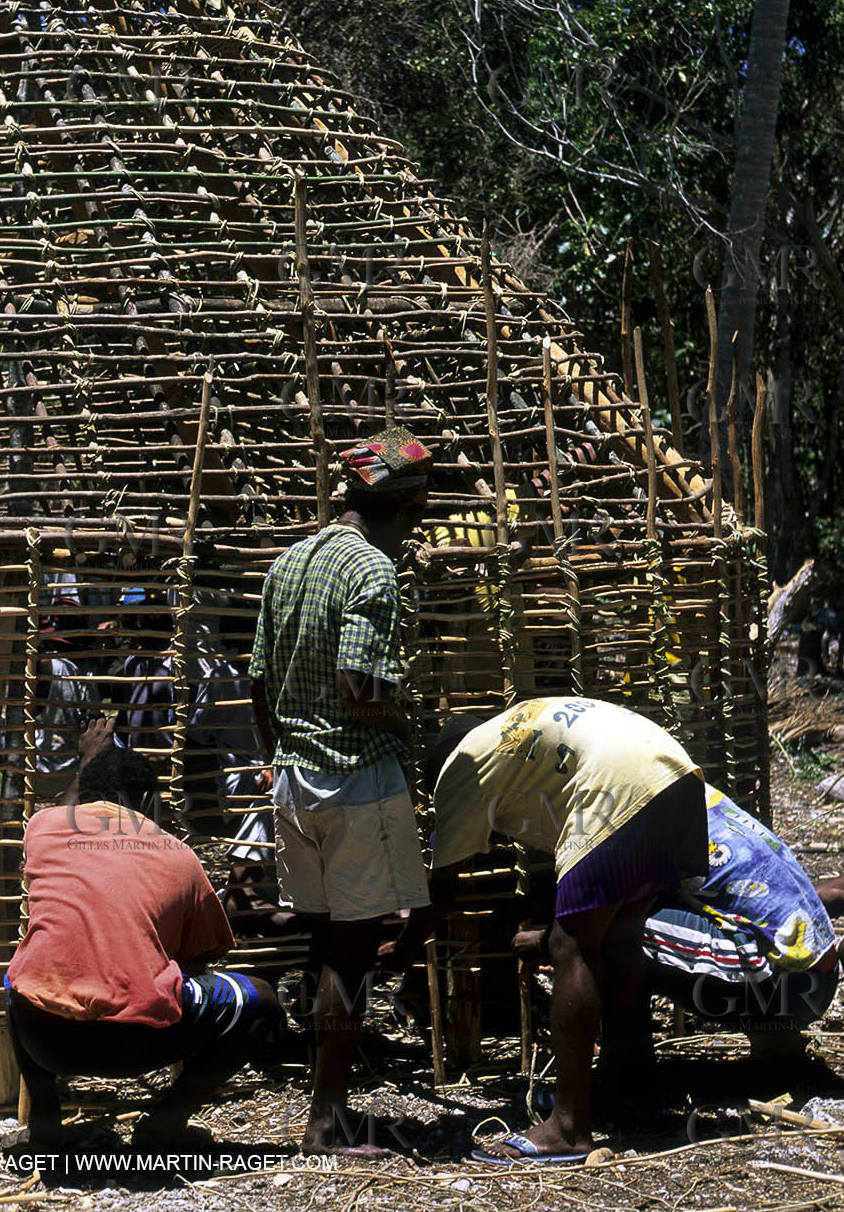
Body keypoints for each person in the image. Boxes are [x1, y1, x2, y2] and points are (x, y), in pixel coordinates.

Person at [383, 696, 708, 1164]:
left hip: (618, 784)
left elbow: (443, 894)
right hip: (677, 777)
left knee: (568, 945)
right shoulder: (514, 737)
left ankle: (567, 1129)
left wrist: (402, 952)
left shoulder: (460, 769)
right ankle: (631, 1085)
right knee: (619, 938)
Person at [249, 425, 434, 1154]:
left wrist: (282, 756)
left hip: (295, 781)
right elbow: (358, 686)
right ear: (409, 504)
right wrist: (408, 723)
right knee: (351, 953)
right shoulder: (372, 572)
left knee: (325, 941)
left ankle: (322, 1094)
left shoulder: (288, 563)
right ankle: (326, 1117)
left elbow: (259, 684)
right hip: (354, 781)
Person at [4, 739, 281, 1148]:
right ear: (148, 798)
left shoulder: (43, 827)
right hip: (139, 1045)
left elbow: (67, 807)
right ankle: (165, 1123)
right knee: (262, 1000)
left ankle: (45, 1123)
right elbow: (201, 957)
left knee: (21, 976)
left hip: (44, 1036)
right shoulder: (180, 856)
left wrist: (83, 763)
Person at [639, 782, 839, 1060]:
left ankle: (629, 1064)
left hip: (785, 993)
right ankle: (776, 1034)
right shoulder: (695, 791)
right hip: (822, 980)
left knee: (617, 929)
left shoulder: (638, 817)